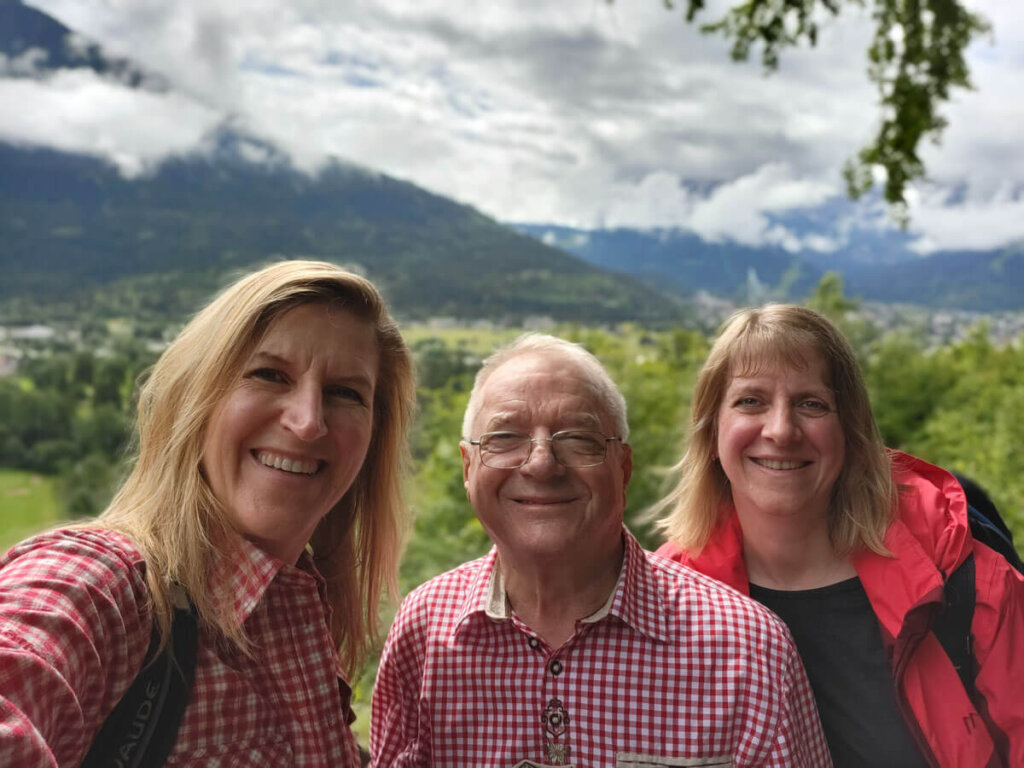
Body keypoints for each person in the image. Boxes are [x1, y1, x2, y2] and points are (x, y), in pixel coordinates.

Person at [0, 260, 415, 767]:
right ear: (195, 400)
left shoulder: (300, 612)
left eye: (346, 393)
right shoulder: (107, 584)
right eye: (269, 375)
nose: (308, 422)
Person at [371, 333, 832, 768]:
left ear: (624, 467)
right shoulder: (425, 631)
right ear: (468, 468)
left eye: (578, 439)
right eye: (505, 438)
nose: (541, 463)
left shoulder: (746, 649)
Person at [654, 304, 1024, 768]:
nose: (781, 430)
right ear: (711, 431)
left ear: (849, 431)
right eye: (751, 401)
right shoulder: (663, 603)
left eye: (812, 404)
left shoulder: (963, 577)